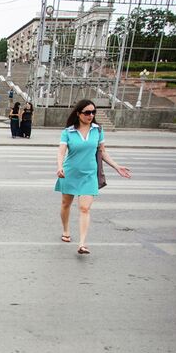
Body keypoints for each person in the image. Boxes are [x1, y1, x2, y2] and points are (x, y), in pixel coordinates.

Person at [54, 99, 131, 254]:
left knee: (84, 208)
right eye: (87, 112)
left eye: (93, 112)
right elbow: (61, 151)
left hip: (89, 174)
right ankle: (66, 230)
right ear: (78, 113)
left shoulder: (98, 130)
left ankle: (82, 243)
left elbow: (102, 152)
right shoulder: (68, 131)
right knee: (65, 204)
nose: (91, 115)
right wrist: (60, 167)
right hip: (70, 173)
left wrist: (117, 167)